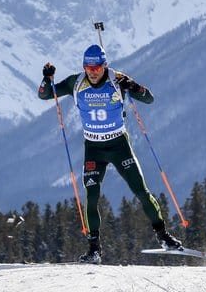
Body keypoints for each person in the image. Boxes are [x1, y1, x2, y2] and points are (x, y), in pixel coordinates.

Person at [38, 44, 182, 264]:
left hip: (118, 145)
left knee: (141, 192)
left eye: (97, 67)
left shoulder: (117, 79)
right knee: (91, 197)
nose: (92, 71)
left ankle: (164, 237)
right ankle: (94, 250)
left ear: (105, 65)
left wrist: (133, 86)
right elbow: (46, 95)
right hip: (93, 149)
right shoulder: (76, 83)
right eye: (88, 67)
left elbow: (149, 98)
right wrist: (47, 79)